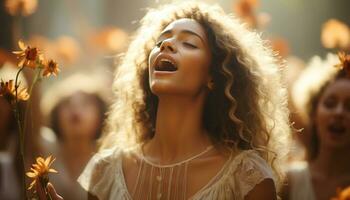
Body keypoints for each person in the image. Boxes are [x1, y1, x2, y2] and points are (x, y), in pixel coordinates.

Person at [42, 1, 290, 199]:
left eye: (189, 44)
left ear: (213, 76)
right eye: (161, 41)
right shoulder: (104, 171)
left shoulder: (247, 178)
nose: (167, 45)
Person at [281, 53, 350, 200]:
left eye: (349, 107)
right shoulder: (286, 183)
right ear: (313, 114)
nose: (339, 113)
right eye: (330, 104)